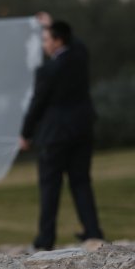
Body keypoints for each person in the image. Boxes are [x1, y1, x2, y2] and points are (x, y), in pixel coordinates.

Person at [20, 18, 104, 251]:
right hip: (81, 130)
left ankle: (45, 239)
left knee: (50, 187)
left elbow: (37, 104)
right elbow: (76, 43)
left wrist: (25, 134)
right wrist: (53, 24)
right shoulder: (80, 58)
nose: (44, 44)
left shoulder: (47, 70)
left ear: (58, 41)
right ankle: (93, 231)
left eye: (47, 39)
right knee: (81, 182)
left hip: (55, 135)